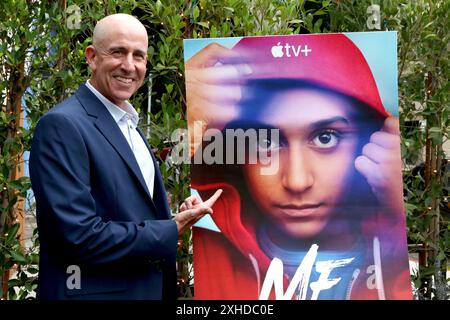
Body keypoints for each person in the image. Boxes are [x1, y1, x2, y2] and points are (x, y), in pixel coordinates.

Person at [186, 34, 412, 299]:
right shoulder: (211, 261)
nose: (296, 181)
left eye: (326, 138)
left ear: (370, 140)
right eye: (266, 141)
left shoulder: (394, 263)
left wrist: (397, 220)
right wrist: (192, 134)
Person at [29, 13, 221, 300]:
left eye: (138, 56)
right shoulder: (63, 126)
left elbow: (127, 212)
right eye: (117, 52)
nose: (129, 66)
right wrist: (170, 229)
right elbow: (78, 236)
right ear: (92, 57)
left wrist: (176, 216)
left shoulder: (127, 124)